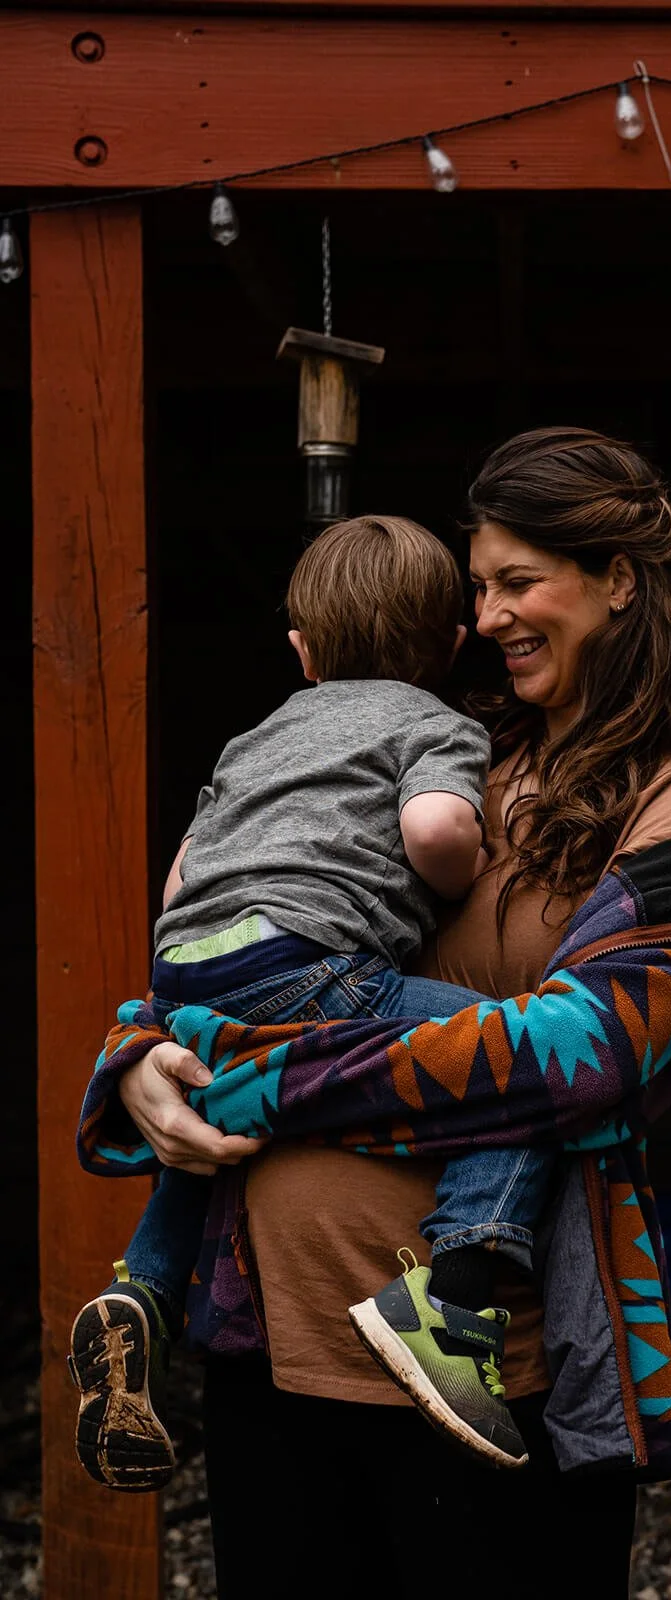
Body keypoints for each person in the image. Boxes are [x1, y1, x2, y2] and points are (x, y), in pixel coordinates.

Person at [78, 427, 671, 1599]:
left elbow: (582, 1053)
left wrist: (240, 1075)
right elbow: (257, 935)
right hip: (272, 1336)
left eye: (521, 581)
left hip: (484, 1371)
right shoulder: (455, 760)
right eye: (480, 587)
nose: (493, 613)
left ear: (620, 580)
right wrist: (146, 1054)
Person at [70, 513, 560, 1490]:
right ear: (450, 644)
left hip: (190, 970)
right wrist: (454, 871)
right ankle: (451, 1303)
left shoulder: (257, 737)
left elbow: (183, 878)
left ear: (300, 650)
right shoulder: (434, 722)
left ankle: (144, 1294)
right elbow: (432, 828)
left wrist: (177, 990)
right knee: (512, 1058)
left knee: (221, 1116)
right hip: (314, 966)